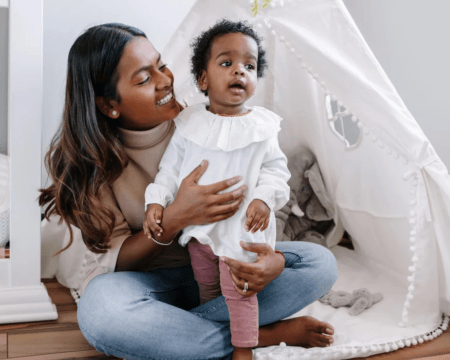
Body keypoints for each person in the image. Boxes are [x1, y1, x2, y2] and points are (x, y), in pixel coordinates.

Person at [39, 22, 338, 360]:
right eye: (144, 78)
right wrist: (178, 216)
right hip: (152, 285)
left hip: (229, 266)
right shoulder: (93, 165)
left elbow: (264, 183)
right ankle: (254, 334)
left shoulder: (203, 123)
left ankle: (195, 333)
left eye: (160, 64)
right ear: (110, 104)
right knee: (103, 313)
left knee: (320, 263)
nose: (165, 80)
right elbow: (116, 263)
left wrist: (272, 262)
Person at [143, 19, 290, 360]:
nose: (239, 71)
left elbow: (275, 170)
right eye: (227, 63)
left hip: (242, 234)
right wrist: (155, 201)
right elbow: (169, 171)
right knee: (207, 287)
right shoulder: (190, 124)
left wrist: (264, 200)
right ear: (203, 79)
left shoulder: (262, 127)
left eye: (249, 66)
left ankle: (243, 347)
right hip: (200, 235)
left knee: (240, 292)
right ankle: (215, 330)